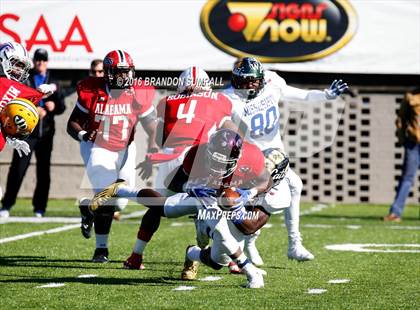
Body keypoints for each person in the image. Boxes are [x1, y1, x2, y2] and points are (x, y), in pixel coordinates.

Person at [89, 129, 270, 288]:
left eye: (223, 162)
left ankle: (193, 254)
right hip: (203, 195)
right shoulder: (196, 154)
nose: (217, 166)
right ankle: (119, 188)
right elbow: (173, 182)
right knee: (164, 208)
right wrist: (190, 187)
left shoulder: (252, 157)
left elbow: (266, 180)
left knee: (217, 262)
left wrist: (250, 193)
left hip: (229, 200)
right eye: (214, 159)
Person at [223, 57, 349, 263]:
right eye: (244, 81)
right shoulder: (227, 99)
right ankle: (261, 244)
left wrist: (326, 95)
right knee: (264, 197)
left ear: (261, 78)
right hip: (250, 158)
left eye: (253, 81)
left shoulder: (272, 82)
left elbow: (304, 96)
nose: (249, 86)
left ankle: (288, 243)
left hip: (275, 154)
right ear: (235, 80)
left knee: (292, 187)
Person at [67, 49, 158, 263]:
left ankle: (88, 208)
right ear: (108, 73)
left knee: (121, 203)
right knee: (107, 198)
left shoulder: (137, 92)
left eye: (127, 72)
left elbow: (153, 127)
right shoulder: (92, 90)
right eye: (120, 72)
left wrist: (152, 151)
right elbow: (72, 123)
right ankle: (101, 249)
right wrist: (82, 133)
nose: (125, 77)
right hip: (97, 146)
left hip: (126, 147)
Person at [137, 66, 235, 192]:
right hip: (197, 156)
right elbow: (231, 132)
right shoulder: (219, 100)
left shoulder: (166, 101)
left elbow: (159, 139)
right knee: (203, 204)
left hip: (168, 157)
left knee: (160, 205)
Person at [0, 43, 56, 218]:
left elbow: (32, 95)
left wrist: (11, 138)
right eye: (16, 64)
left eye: (22, 66)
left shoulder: (12, 86)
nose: (19, 70)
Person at [384, 88, 420, 222]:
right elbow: (401, 118)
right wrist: (401, 138)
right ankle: (395, 212)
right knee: (407, 178)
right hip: (413, 143)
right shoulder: (411, 96)